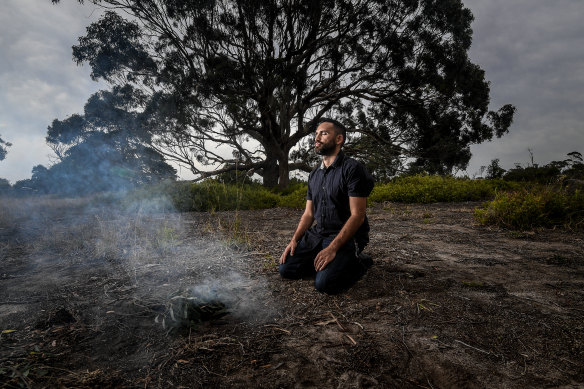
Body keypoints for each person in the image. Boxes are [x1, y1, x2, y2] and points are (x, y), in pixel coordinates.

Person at [279, 118, 374, 294]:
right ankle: (331, 263)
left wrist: (332, 249)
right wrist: (294, 240)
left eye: (323, 133)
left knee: (324, 284)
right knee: (286, 269)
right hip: (319, 233)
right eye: (316, 134)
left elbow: (357, 216)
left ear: (339, 139)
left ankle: (359, 261)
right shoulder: (314, 174)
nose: (317, 138)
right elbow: (309, 214)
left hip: (344, 235)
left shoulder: (352, 169)